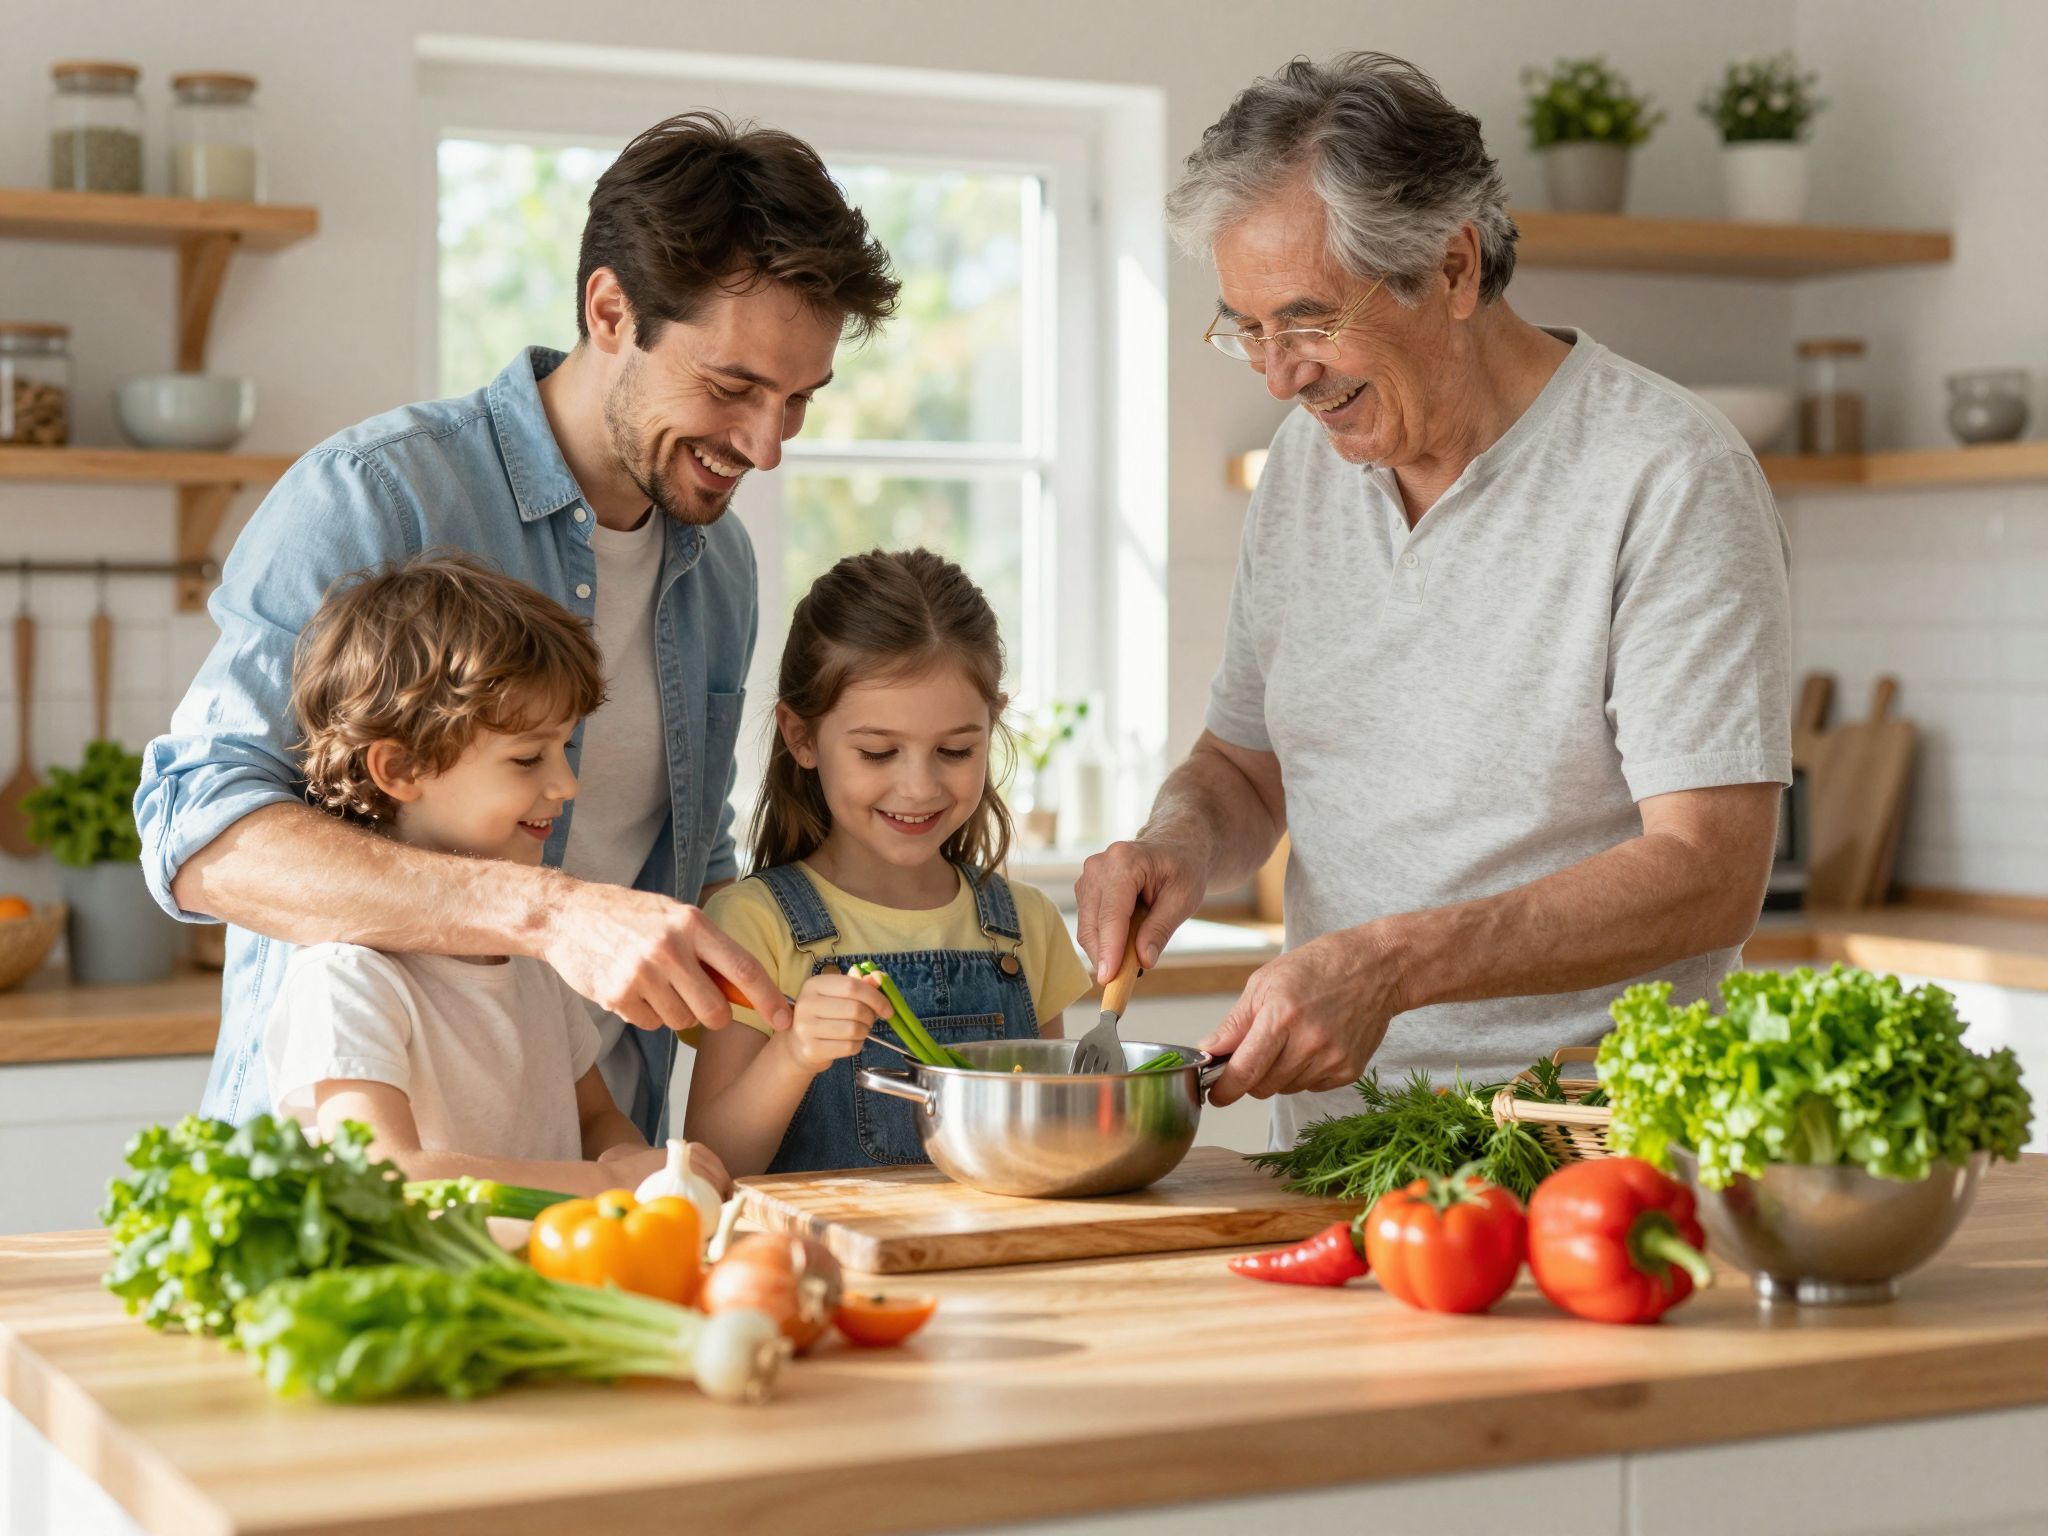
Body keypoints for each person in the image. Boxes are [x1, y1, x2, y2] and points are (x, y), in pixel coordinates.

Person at [138, 111, 901, 1138]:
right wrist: (551, 914)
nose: (766, 448)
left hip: (593, 1163)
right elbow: (199, 837)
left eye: (799, 400)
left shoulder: (718, 563)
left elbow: (683, 853)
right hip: (359, 1190)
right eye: (732, 388)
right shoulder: (375, 497)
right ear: (609, 311)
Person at [1075, 53, 1790, 1145]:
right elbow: (1241, 768)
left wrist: (1390, 966)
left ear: (1452, 268)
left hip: (1586, 1150)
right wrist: (1175, 843)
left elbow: (1708, 873)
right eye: (1248, 327)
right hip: (1337, 1150)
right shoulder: (1303, 473)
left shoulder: (1664, 474)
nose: (1277, 376)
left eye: (1307, 320)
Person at [263, 553, 728, 1197]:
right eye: (528, 757)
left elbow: (595, 1118)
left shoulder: (529, 958)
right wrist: (603, 1184)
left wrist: (645, 1169)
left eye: (563, 748)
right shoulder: (349, 976)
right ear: (399, 769)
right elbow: (383, 1178)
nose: (565, 784)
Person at [685, 549, 1093, 1175]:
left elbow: (1051, 1144)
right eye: (878, 752)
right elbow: (712, 1164)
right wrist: (794, 1052)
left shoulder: (1027, 926)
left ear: (993, 727)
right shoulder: (751, 924)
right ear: (802, 738)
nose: (918, 787)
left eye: (955, 750)